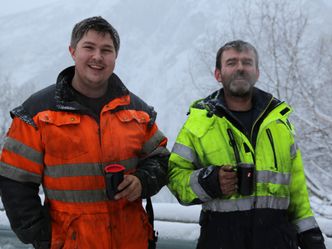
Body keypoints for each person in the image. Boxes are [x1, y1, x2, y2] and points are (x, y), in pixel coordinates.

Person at [0, 16, 169, 249]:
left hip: (133, 241)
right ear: (72, 51)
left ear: (115, 57)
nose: (97, 57)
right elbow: (14, 181)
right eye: (89, 47)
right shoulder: (37, 113)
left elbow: (161, 160)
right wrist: (42, 236)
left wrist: (142, 181)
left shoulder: (137, 112)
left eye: (106, 50)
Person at [168, 40, 326, 249]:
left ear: (257, 72)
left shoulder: (278, 123)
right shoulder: (198, 124)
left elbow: (296, 189)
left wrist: (311, 236)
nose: (240, 68)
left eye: (247, 62)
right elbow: (174, 177)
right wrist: (210, 181)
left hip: (277, 242)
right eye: (232, 62)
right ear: (218, 74)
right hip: (220, 241)